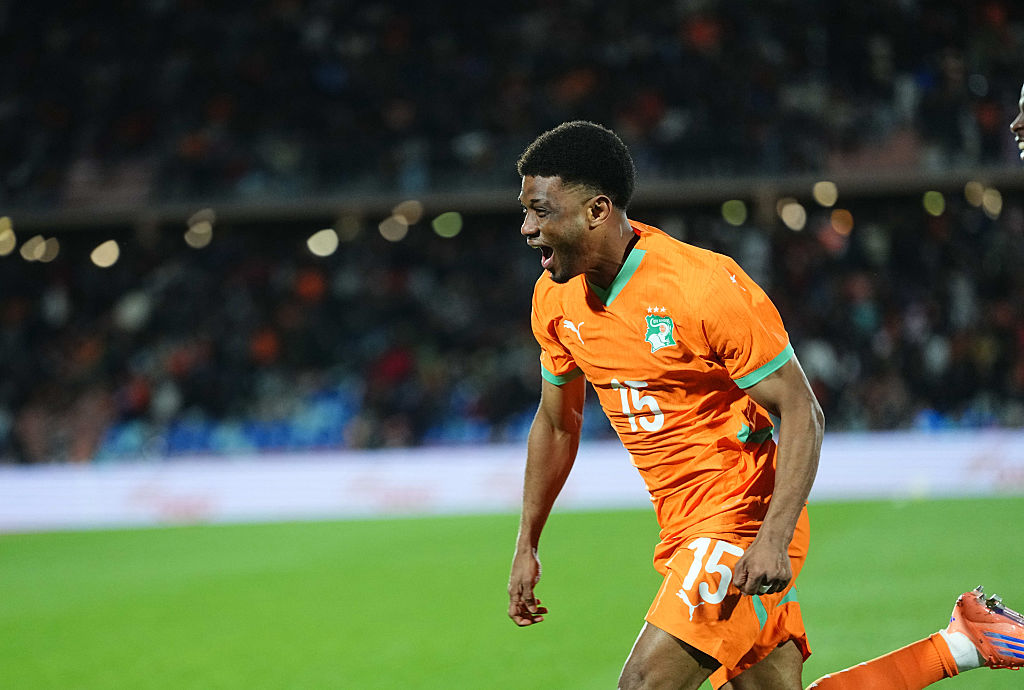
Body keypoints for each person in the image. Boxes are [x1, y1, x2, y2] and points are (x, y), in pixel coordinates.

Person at [505, 120, 1024, 689]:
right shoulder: (552, 299)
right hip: (679, 525)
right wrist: (527, 542)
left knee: (644, 686)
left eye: (540, 211)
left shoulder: (701, 286)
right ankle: (962, 644)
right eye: (525, 212)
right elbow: (557, 424)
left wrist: (772, 537)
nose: (527, 228)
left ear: (597, 210)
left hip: (742, 516)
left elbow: (802, 411)